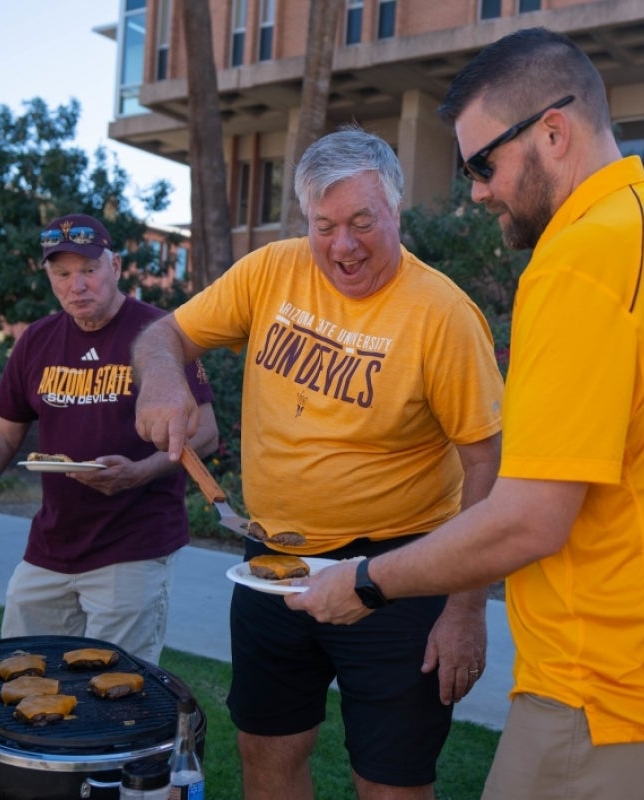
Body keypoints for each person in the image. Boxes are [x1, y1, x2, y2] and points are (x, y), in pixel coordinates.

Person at [287, 28, 644, 800]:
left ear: (553, 131)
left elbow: (529, 519)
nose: (477, 190)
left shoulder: (579, 263)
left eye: (483, 164)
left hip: (611, 694)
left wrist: (364, 581)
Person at [132, 128, 504, 799]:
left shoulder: (444, 316)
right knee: (266, 751)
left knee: (391, 780)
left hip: (398, 572)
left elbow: (488, 462)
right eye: (325, 225)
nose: (343, 245)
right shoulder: (271, 269)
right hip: (272, 562)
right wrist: (163, 379)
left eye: (363, 221)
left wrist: (464, 608)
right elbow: (165, 333)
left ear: (396, 212)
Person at [0, 213, 218, 665]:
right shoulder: (36, 341)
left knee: (116, 688)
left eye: (88, 270)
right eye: (62, 274)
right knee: (22, 675)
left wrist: (138, 472)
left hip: (133, 546)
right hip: (51, 546)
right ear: (49, 277)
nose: (76, 285)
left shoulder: (161, 334)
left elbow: (204, 431)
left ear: (116, 267)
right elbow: (3, 434)